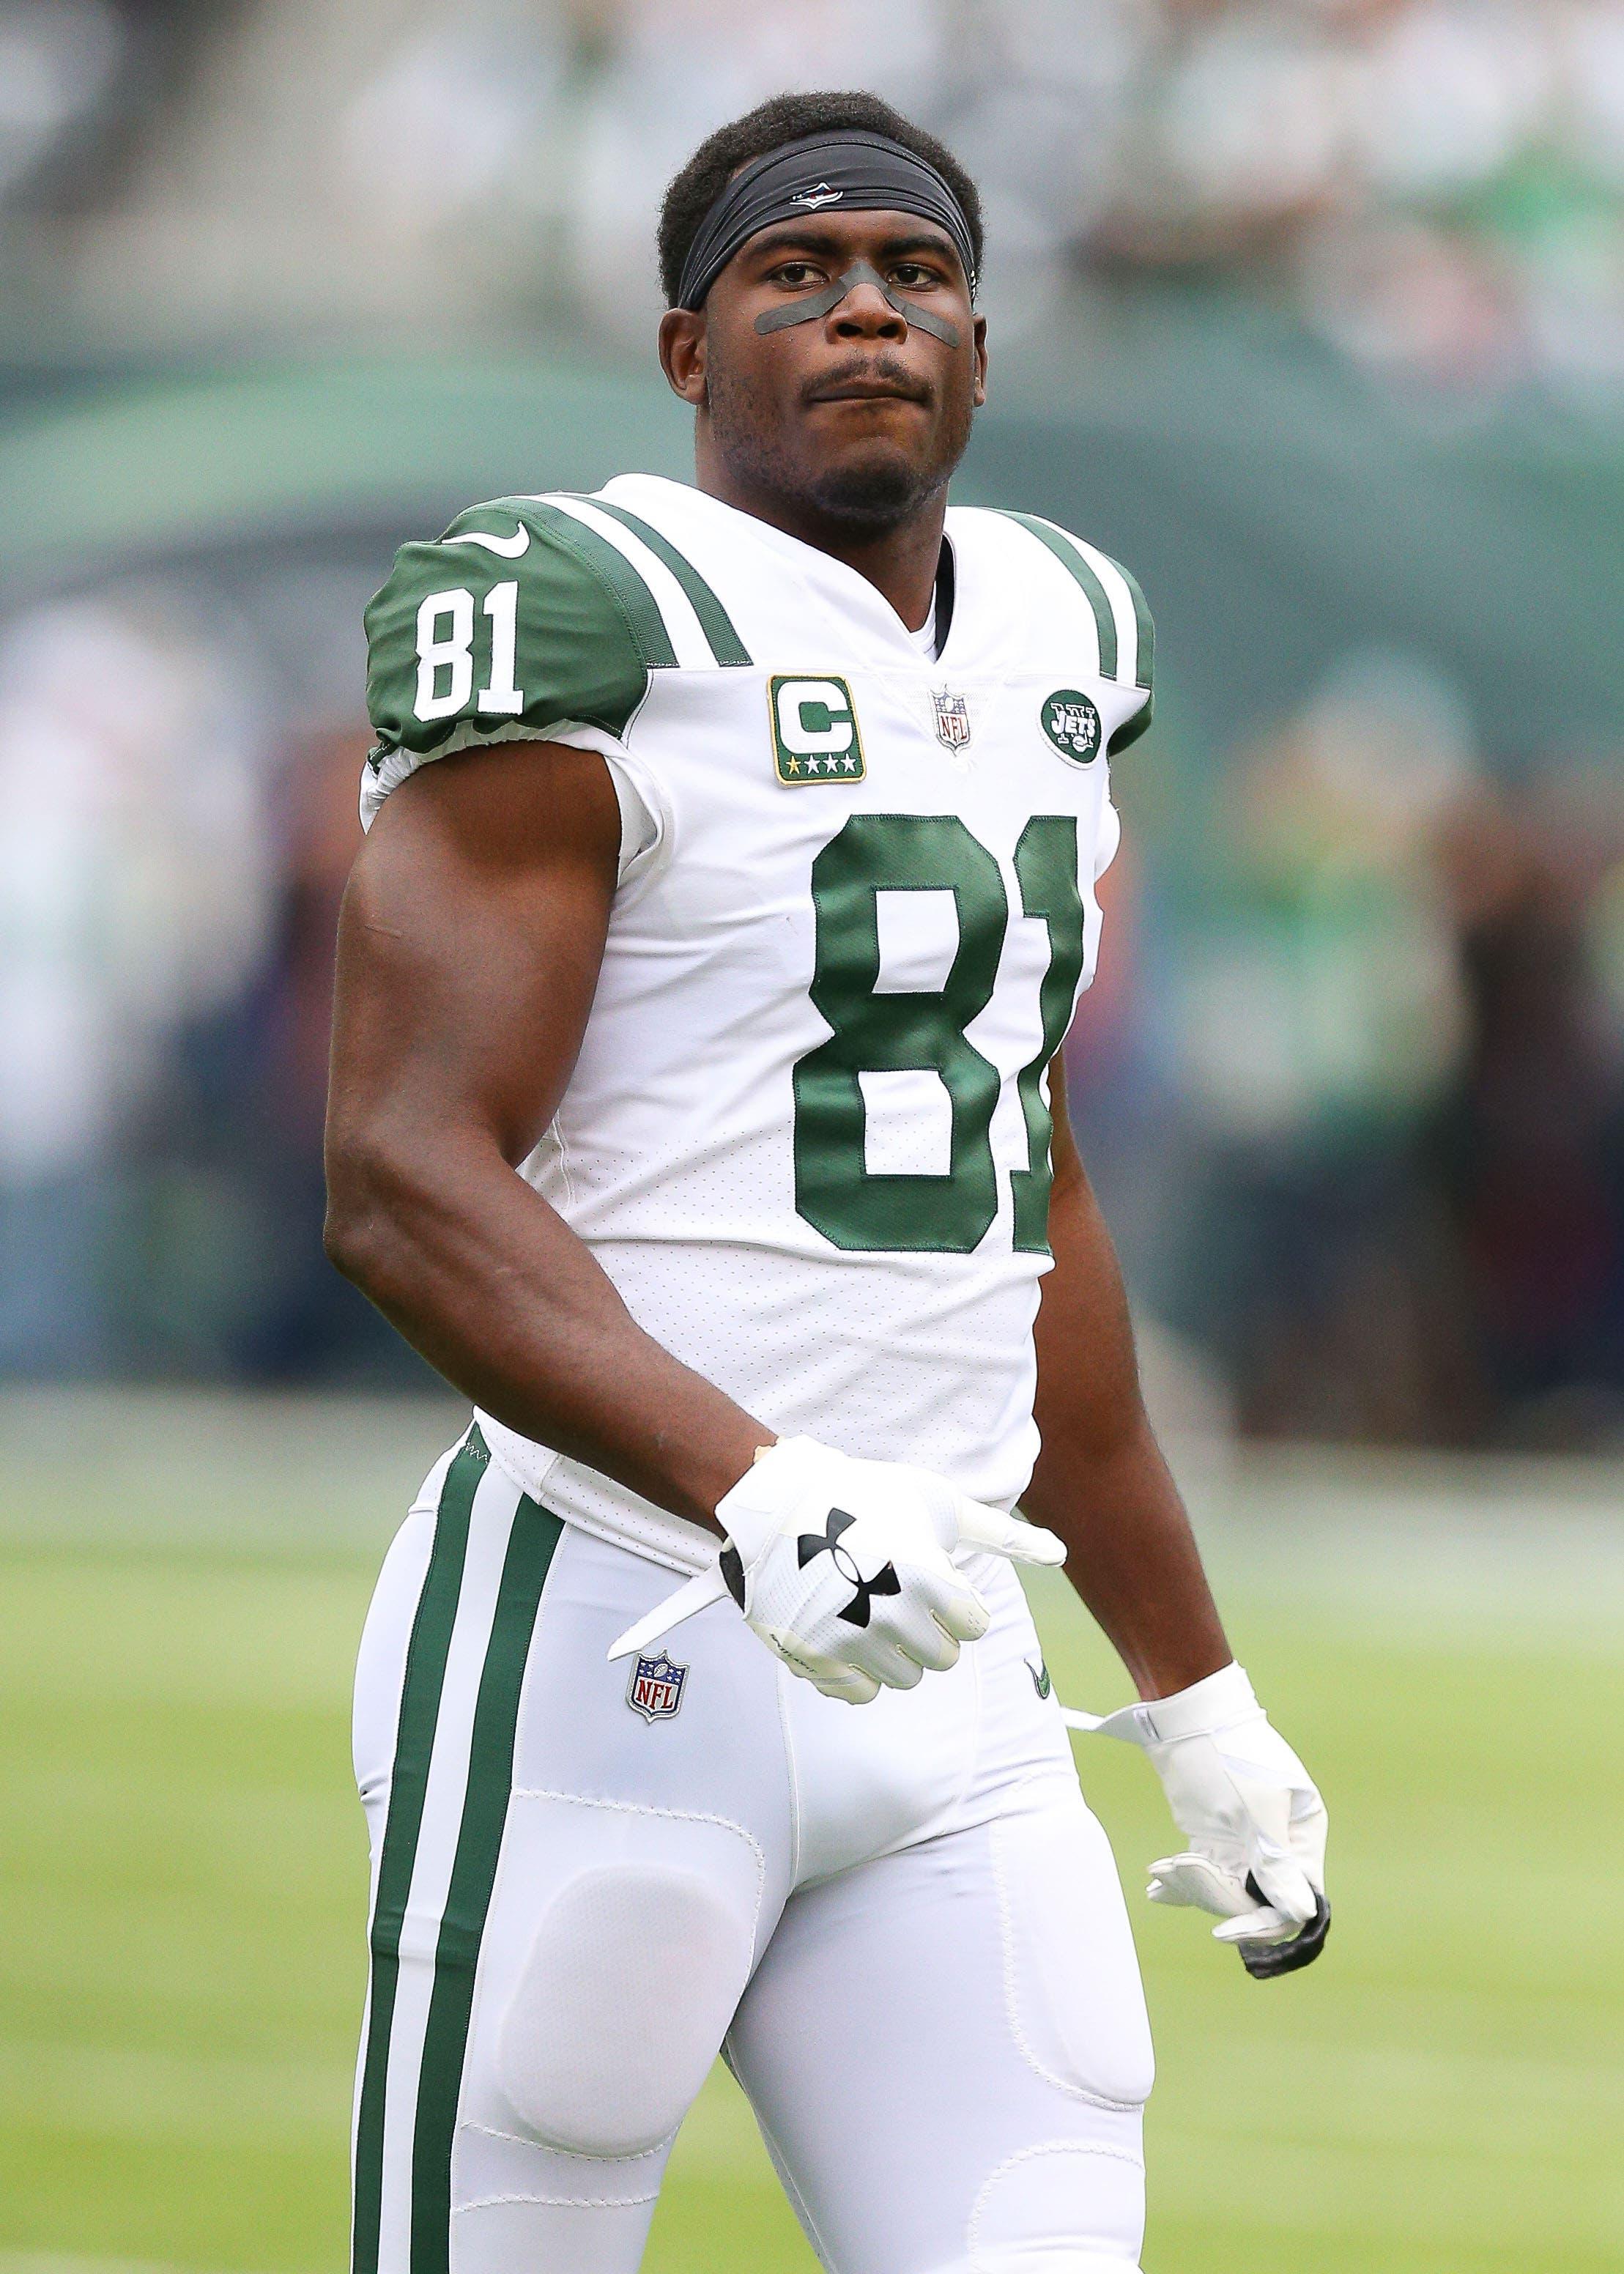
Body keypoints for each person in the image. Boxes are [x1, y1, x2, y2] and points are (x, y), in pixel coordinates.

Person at [325, 88, 1330, 2274]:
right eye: (797, 272)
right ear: (690, 349)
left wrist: (1191, 1689)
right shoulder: (586, 606)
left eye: (915, 272)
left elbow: (1012, 1190)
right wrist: (757, 1484)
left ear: (979, 342)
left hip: (951, 1663)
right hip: (615, 1621)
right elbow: (402, 1171)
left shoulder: (1062, 629)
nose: (864, 308)